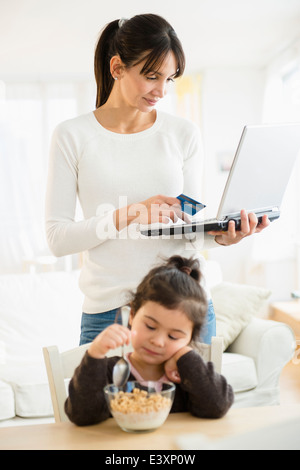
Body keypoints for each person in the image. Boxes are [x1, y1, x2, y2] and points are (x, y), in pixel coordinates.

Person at [45, 13, 270, 346]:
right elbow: (57, 239)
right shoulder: (72, 136)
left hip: (185, 305)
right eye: (151, 76)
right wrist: (130, 214)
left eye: (170, 78)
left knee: (197, 400)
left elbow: (185, 228)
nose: (162, 91)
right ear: (117, 67)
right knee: (100, 400)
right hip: (111, 312)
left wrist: (222, 237)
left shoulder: (183, 134)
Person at [64, 256, 234, 426]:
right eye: (151, 327)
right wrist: (95, 354)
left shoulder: (187, 376)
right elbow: (82, 415)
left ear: (190, 337)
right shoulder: (111, 371)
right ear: (132, 315)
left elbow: (217, 405)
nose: (158, 341)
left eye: (173, 336)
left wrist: (185, 354)